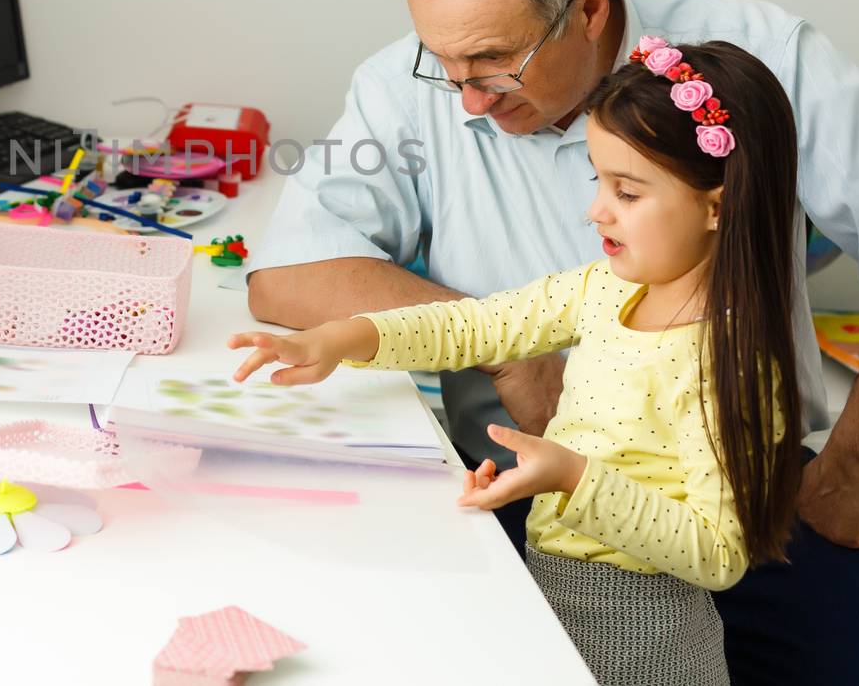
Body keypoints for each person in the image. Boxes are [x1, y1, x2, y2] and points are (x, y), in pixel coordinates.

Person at [245, 0, 859, 683]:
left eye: (495, 63)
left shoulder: (757, 63)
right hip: (530, 488)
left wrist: (855, 466)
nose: (466, 102)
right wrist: (515, 354)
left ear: (590, 7)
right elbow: (291, 274)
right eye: (443, 65)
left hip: (739, 492)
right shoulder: (424, 91)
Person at [232, 40, 804, 684]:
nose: (597, 210)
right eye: (597, 180)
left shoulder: (727, 361)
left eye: (628, 192)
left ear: (717, 206)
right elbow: (477, 326)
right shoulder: (604, 288)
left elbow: (719, 553)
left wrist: (570, 476)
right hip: (556, 589)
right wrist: (343, 338)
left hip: (647, 639)